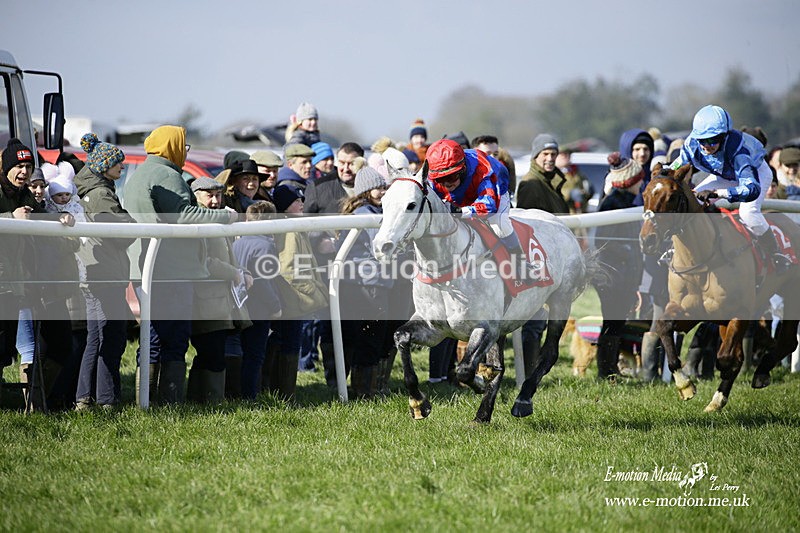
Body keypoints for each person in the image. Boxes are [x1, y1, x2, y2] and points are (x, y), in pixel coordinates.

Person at [124, 125, 237, 405]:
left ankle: (146, 402)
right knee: (174, 340)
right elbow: (185, 215)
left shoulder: (140, 173)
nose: (185, 152)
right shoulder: (167, 174)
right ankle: (168, 402)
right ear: (172, 146)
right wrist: (225, 216)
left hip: (148, 268)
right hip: (172, 270)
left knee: (151, 339)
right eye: (183, 146)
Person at [1, 138, 74, 409]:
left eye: (28, 166)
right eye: (18, 166)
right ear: (6, 167)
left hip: (31, 283)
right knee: (3, 351)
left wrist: (62, 219)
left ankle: (37, 402)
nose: (24, 172)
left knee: (62, 344)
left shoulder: (26, 195)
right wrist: (11, 219)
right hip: (7, 285)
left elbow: (42, 216)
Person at [672, 105, 789, 270]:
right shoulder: (691, 144)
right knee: (691, 203)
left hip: (755, 175)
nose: (707, 145)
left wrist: (717, 193)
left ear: (724, 136)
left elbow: (750, 189)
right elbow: (673, 168)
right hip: (724, 175)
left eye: (713, 139)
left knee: (748, 213)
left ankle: (776, 254)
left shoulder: (739, 151)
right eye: (703, 140)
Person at [73, 133, 134, 410]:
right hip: (104, 274)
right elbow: (122, 232)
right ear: (103, 166)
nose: (122, 166)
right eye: (117, 163)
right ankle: (103, 400)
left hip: (102, 273)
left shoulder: (101, 190)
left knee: (100, 338)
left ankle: (89, 398)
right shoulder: (100, 195)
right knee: (108, 338)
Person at [303, 142, 364, 386]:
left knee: (357, 323)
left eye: (351, 163)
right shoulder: (319, 187)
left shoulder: (371, 188)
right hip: (329, 266)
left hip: (363, 268)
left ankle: (357, 377)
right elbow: (304, 225)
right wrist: (318, 242)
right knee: (330, 322)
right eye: (342, 163)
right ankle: (333, 378)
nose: (346, 169)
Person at [188, 177, 250, 405]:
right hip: (206, 299)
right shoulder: (198, 220)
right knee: (211, 353)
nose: (215, 201)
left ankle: (202, 399)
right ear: (195, 196)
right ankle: (210, 402)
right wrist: (234, 273)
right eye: (209, 195)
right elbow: (205, 261)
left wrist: (240, 270)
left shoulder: (218, 220)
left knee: (212, 353)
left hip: (221, 299)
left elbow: (227, 255)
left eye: (218, 195)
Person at [514, 134, 570, 378]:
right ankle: (528, 373)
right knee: (534, 321)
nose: (549, 158)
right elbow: (528, 227)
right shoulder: (530, 184)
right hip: (537, 261)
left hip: (552, 259)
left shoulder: (550, 181)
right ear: (536, 156)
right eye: (545, 154)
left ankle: (533, 371)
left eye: (553, 154)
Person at [266, 184, 328, 401]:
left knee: (289, 343)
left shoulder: (293, 226)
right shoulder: (289, 230)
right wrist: (312, 290)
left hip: (292, 296)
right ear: (284, 206)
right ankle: (284, 395)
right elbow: (290, 267)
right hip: (292, 296)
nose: (302, 204)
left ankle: (283, 393)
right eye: (296, 201)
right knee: (289, 343)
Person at [593, 153, 645, 380]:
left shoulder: (625, 202)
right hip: (612, 275)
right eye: (639, 179)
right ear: (631, 181)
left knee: (616, 322)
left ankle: (610, 368)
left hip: (623, 274)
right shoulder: (613, 203)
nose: (641, 183)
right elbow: (602, 243)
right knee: (611, 322)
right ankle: (606, 370)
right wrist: (627, 251)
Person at [232, 201, 282, 399]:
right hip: (259, 307)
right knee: (255, 355)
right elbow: (264, 282)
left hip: (239, 304)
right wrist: (275, 306)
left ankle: (234, 393)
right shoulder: (266, 245)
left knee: (240, 351)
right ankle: (250, 396)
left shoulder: (237, 242)